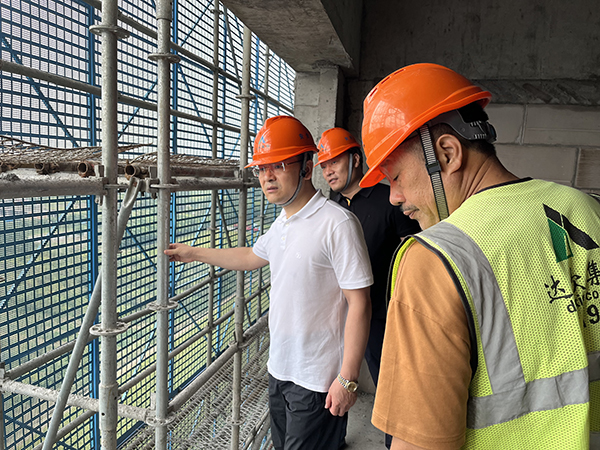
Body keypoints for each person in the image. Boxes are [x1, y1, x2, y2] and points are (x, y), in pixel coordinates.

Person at [358, 63, 600, 449]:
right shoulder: (587, 210)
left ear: (447, 153)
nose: (393, 197)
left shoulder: (436, 259)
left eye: (396, 176)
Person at [165, 115, 373, 450]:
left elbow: (360, 303)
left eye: (278, 165)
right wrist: (194, 253)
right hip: (280, 369)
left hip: (318, 379)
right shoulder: (284, 222)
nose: (267, 177)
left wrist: (347, 379)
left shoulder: (337, 224)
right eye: (262, 168)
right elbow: (252, 256)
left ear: (306, 168)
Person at [317, 128, 420, 448]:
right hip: (337, 314)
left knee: (389, 385)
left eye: (335, 162)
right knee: (332, 380)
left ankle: (395, 443)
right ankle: (333, 438)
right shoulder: (331, 207)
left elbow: (415, 253)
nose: (328, 171)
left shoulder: (389, 199)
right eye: (324, 165)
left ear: (356, 159)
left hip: (381, 315)